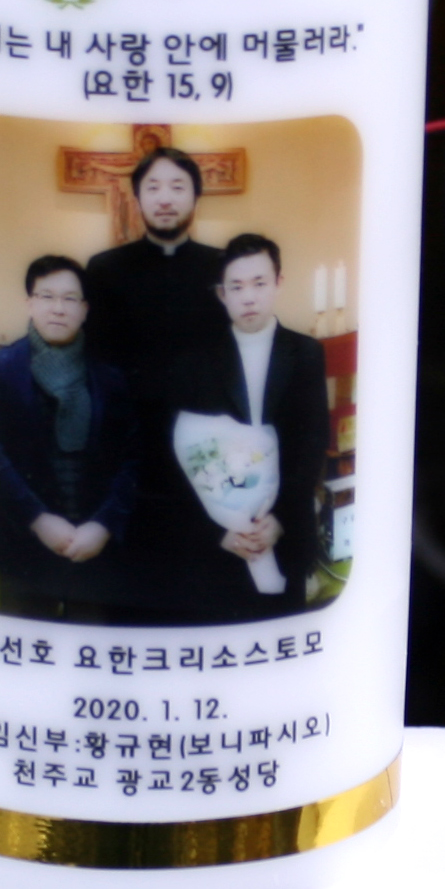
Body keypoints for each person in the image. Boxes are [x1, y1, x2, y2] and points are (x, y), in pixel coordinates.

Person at [154, 232, 332, 622]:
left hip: (283, 533)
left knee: (281, 633)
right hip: (217, 541)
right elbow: (179, 455)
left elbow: (313, 440)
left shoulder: (305, 353)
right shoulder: (194, 363)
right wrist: (219, 532)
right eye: (236, 287)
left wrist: (279, 520)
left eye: (259, 283)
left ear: (278, 283)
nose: (248, 297)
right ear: (222, 294)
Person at [0, 255, 139, 621]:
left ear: (85, 309)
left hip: (94, 547)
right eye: (46, 296)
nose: (58, 308)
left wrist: (103, 526)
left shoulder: (109, 376)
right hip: (24, 544)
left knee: (91, 643)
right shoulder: (3, 367)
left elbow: (131, 459)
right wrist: (39, 520)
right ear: (29, 303)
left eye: (69, 299)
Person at [79, 143, 233, 394]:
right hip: (127, 413)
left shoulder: (223, 267)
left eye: (177, 187)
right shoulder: (104, 269)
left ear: (196, 197)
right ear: (137, 199)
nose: (164, 200)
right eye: (153, 188)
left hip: (205, 411)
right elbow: (95, 359)